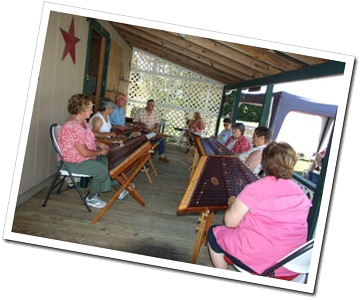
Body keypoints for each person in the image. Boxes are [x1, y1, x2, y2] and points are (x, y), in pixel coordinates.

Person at [207, 141, 312, 278]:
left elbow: (230, 222)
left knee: (214, 233)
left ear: (265, 162)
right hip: (294, 264)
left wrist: (233, 203)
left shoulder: (256, 188)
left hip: (267, 266)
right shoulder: (301, 194)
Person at [58, 93, 116, 208]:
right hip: (71, 162)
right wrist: (99, 152)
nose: (92, 111)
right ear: (81, 109)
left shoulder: (82, 122)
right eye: (90, 108)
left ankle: (107, 187)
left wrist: (99, 143)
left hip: (81, 158)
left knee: (105, 161)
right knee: (101, 169)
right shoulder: (73, 126)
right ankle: (91, 198)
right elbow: (84, 152)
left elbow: (88, 141)